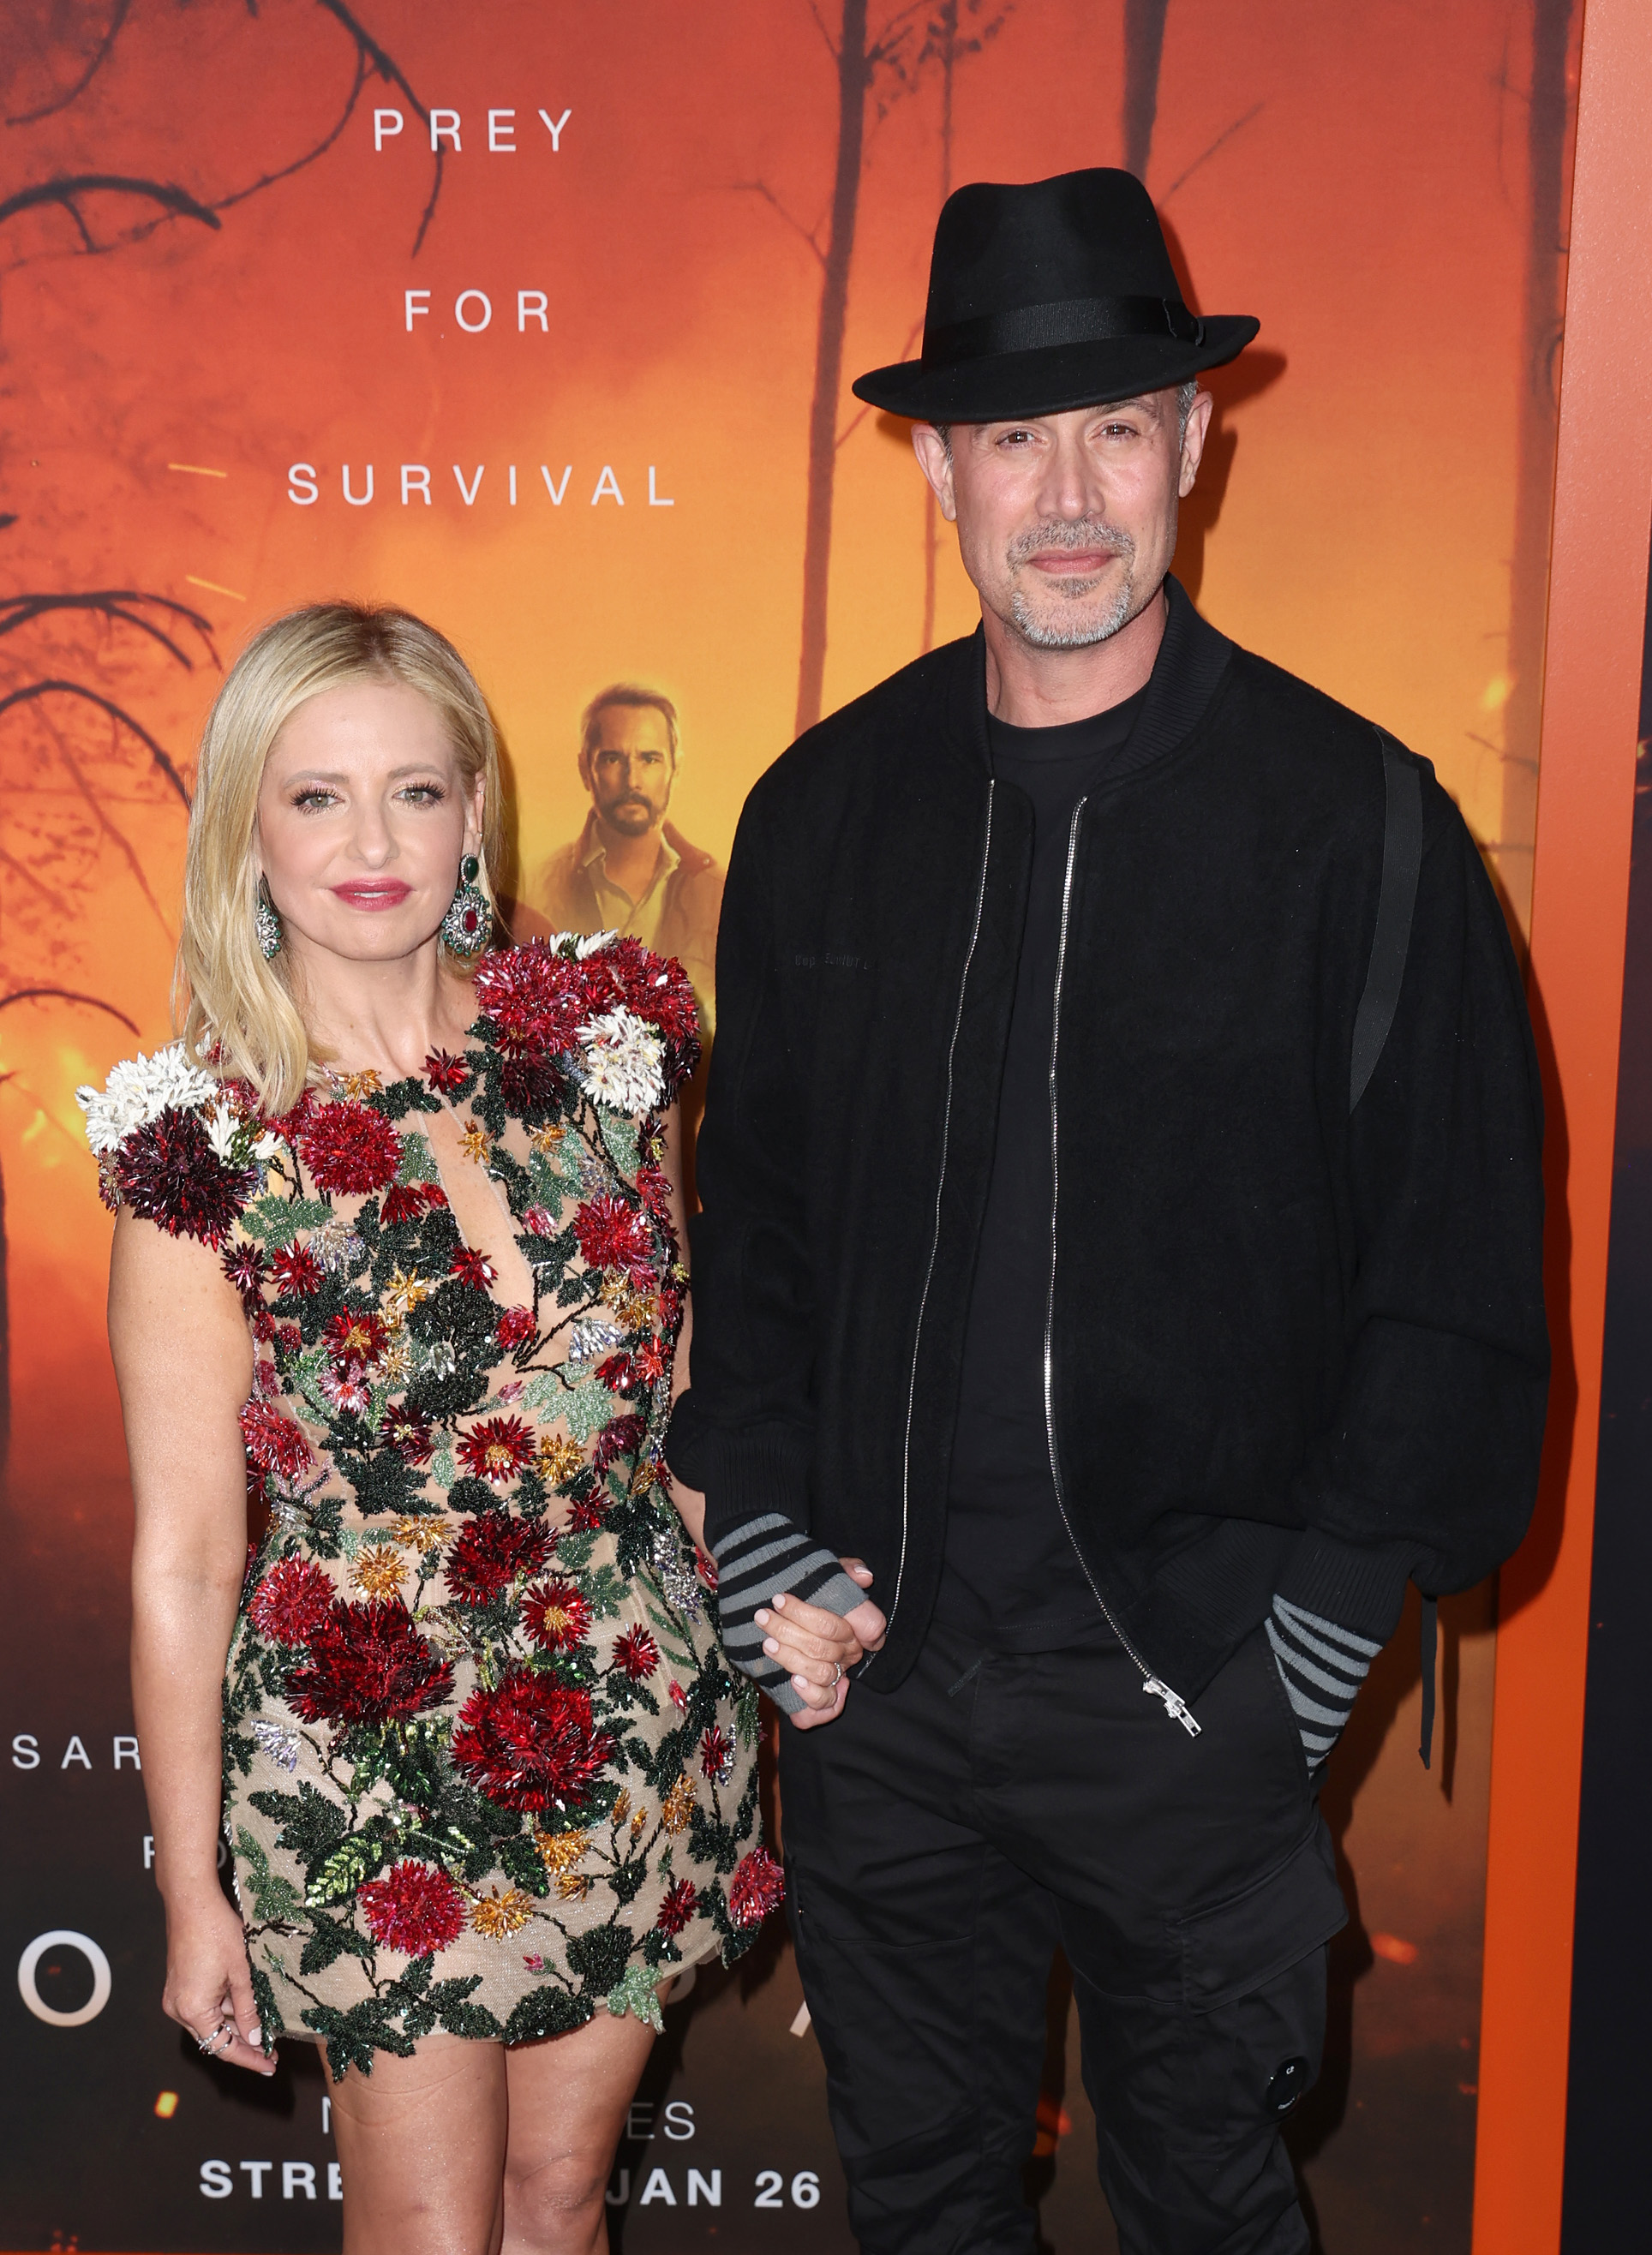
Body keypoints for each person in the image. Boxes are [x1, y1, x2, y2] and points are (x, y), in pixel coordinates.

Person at [667, 170, 1548, 2255]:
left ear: (1193, 444)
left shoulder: (1361, 828)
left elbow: (1459, 1292)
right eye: (1009, 437)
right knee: (925, 2217)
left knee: (1209, 2221)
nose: (1065, 492)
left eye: (1114, 429)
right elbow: (760, 1233)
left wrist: (1297, 1671)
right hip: (873, 1703)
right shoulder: (821, 815)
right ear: (933, 466)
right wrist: (769, 1540)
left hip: (1194, 1702)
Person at [82, 603, 781, 2255]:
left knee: (556, 2205)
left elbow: (678, 1410)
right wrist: (194, 1891)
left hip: (632, 1712)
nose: (372, 841)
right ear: (247, 825)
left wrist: (772, 1618)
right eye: (316, 795)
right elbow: (186, 1556)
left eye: (414, 789)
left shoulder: (605, 1048)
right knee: (431, 2237)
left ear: (477, 810)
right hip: (366, 1754)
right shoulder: (202, 1141)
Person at [530, 685, 724, 1038]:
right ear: (585, 768)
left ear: (675, 769)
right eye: (613, 758)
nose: (632, 780)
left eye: (650, 759)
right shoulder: (537, 886)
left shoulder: (719, 895)